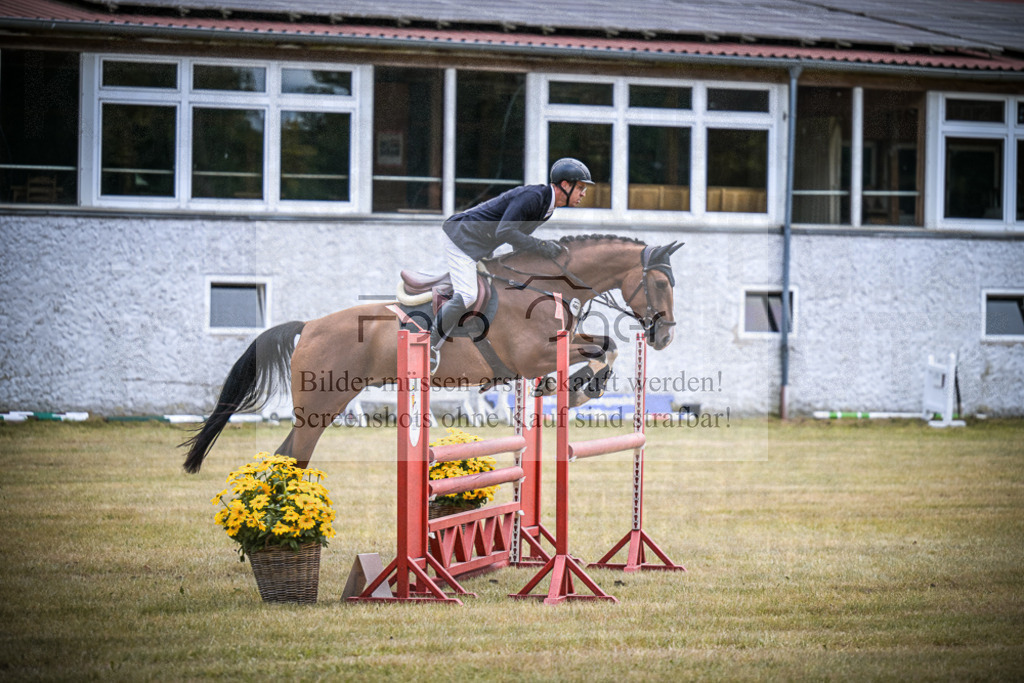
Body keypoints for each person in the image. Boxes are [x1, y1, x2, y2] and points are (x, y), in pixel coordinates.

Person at [430, 157, 595, 369]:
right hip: (460, 238)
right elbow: (505, 231)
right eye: (580, 187)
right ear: (565, 185)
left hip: (480, 245)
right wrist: (542, 246)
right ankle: (430, 345)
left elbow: (520, 242)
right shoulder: (533, 197)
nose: (583, 194)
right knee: (469, 294)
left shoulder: (548, 207)